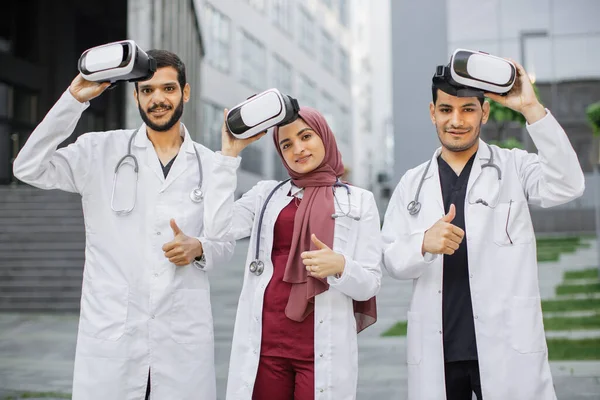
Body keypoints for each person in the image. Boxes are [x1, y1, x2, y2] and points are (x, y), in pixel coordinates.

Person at [13, 50, 234, 400]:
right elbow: (27, 167)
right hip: (114, 333)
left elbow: (224, 245)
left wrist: (200, 247)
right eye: (147, 91)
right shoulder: (100, 151)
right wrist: (72, 101)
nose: (158, 99)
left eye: (168, 89)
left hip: (180, 338)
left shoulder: (210, 165)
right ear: (135, 96)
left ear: (185, 92)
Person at [381, 58, 585, 400]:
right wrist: (422, 243)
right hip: (440, 352)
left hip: (506, 345)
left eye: (468, 110)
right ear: (433, 113)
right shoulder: (412, 184)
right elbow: (389, 258)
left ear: (484, 113)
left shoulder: (514, 167)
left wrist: (531, 107)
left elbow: (568, 184)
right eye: (446, 109)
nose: (456, 121)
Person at [203, 106, 381, 400]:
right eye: (286, 144)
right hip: (267, 344)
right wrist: (228, 156)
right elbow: (216, 230)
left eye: (306, 136)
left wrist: (340, 266)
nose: (298, 149)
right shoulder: (266, 194)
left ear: (324, 136)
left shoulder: (359, 201)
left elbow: (370, 283)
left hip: (320, 346)